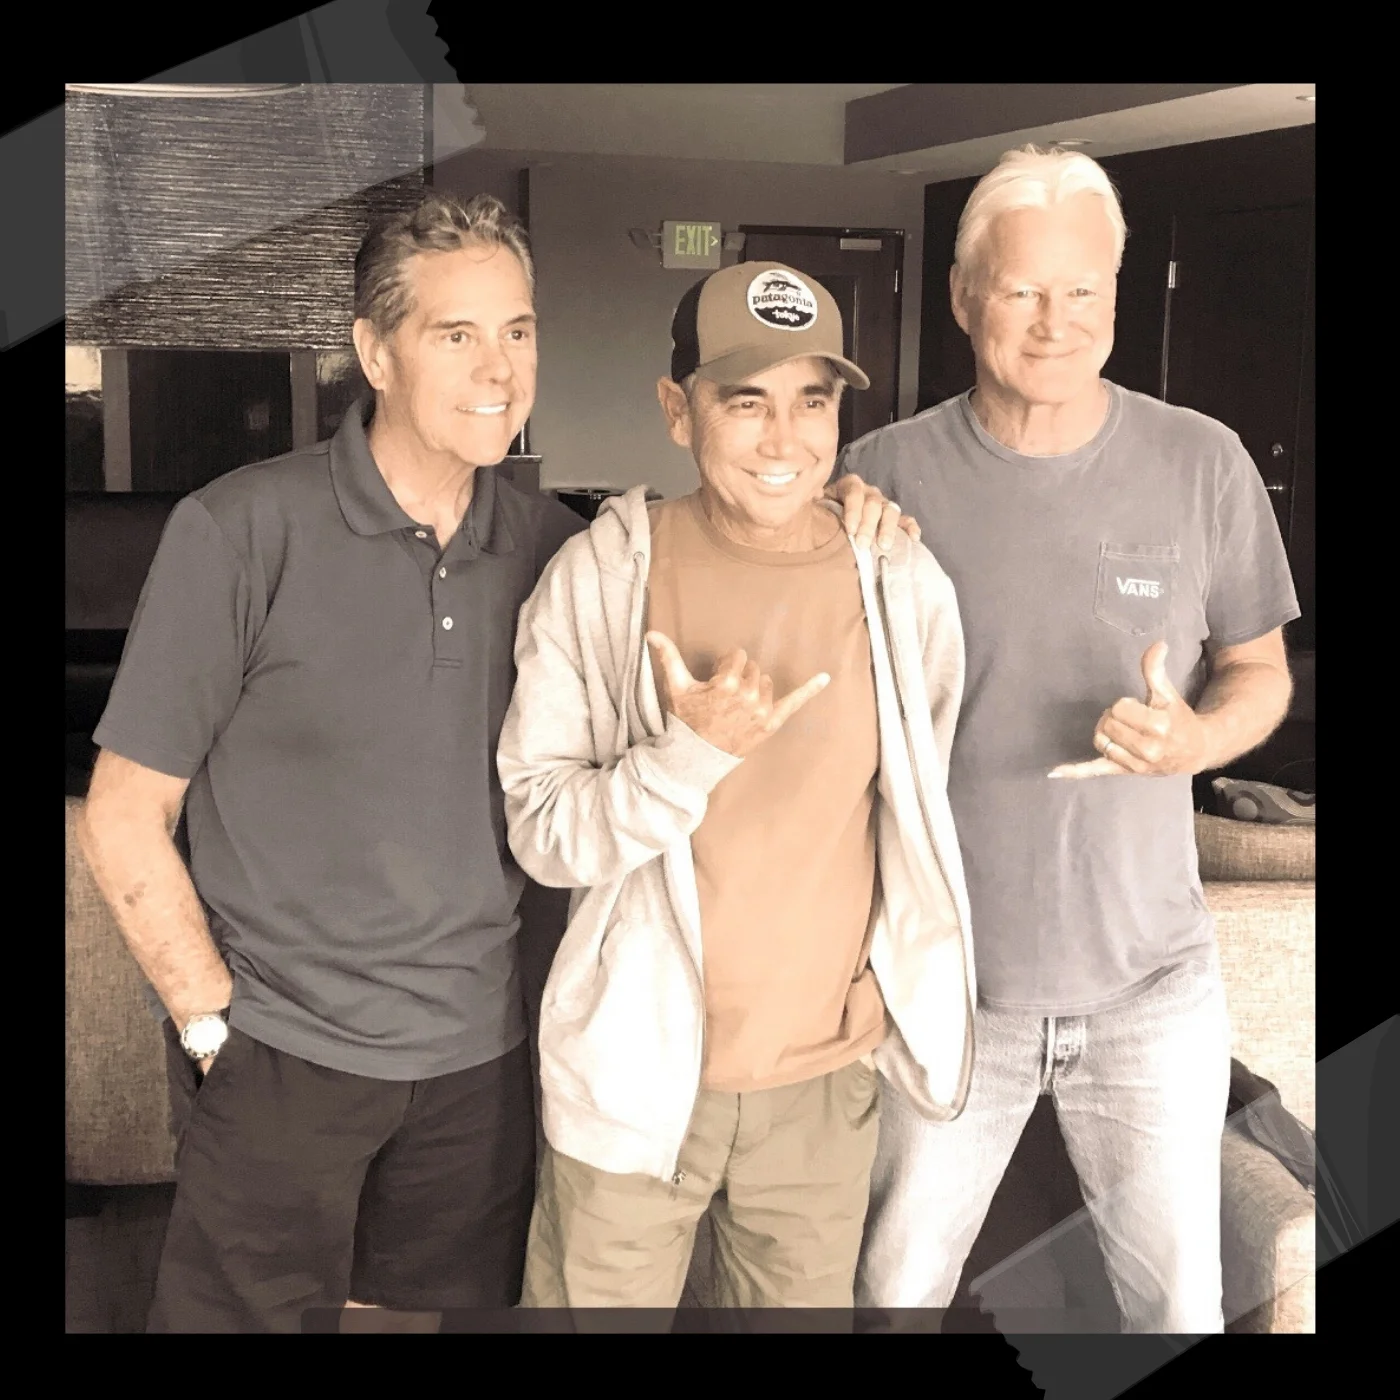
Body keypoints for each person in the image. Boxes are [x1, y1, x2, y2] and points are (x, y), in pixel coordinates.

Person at [76, 192, 913, 1334]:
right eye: (455, 333)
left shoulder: (555, 550)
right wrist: (211, 1026)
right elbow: (123, 815)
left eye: (517, 330)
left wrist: (847, 504)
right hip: (283, 1051)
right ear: (376, 351)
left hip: (481, 1057)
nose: (499, 369)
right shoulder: (240, 530)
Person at [839, 145, 1299, 1333]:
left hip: (1150, 985)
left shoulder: (1201, 462)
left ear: (1115, 294)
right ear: (962, 299)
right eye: (1020, 290)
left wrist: (1195, 736)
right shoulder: (877, 477)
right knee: (890, 1292)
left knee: (1177, 1305)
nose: (1054, 321)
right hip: (945, 984)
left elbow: (1257, 670)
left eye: (1081, 290)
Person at [496, 260, 975, 1314]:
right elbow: (543, 830)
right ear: (679, 410)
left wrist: (878, 994)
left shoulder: (901, 584)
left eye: (813, 401)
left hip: (822, 1084)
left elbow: (918, 812)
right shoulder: (601, 578)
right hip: (632, 1078)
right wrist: (687, 755)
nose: (783, 438)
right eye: (745, 401)